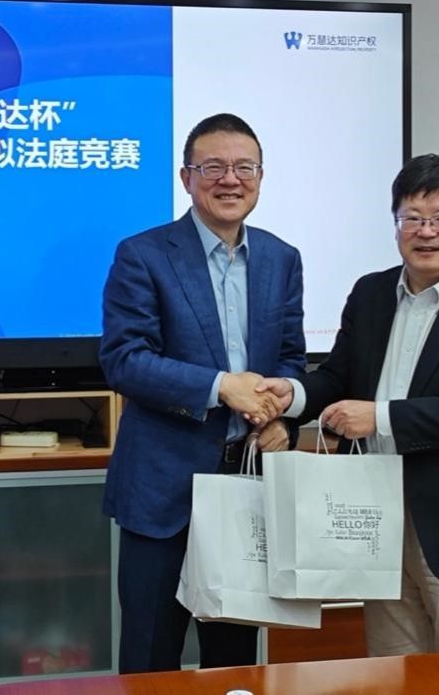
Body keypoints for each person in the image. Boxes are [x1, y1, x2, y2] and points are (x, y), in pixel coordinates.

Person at [261, 153, 439, 656]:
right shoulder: (371, 293)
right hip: (376, 518)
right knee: (394, 668)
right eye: (411, 217)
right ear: (395, 225)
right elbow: (339, 376)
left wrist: (379, 416)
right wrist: (293, 395)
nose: (425, 232)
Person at [99, 113, 306, 673]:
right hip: (162, 490)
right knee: (150, 657)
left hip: (246, 488)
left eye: (244, 167)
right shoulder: (143, 254)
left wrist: (283, 412)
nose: (230, 179)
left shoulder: (282, 258)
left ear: (260, 176)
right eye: (213, 167)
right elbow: (124, 360)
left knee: (234, 662)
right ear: (186, 178)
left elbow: (291, 357)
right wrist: (221, 387)